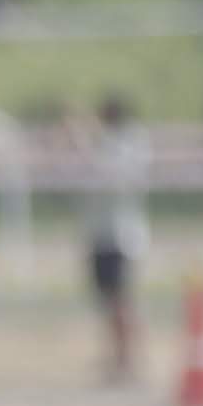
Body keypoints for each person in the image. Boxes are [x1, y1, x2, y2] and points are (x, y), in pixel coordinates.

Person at [85, 93, 152, 382]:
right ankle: (116, 356)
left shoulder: (129, 143)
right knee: (107, 302)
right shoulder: (102, 143)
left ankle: (130, 358)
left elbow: (115, 176)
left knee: (122, 301)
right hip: (100, 232)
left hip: (121, 235)